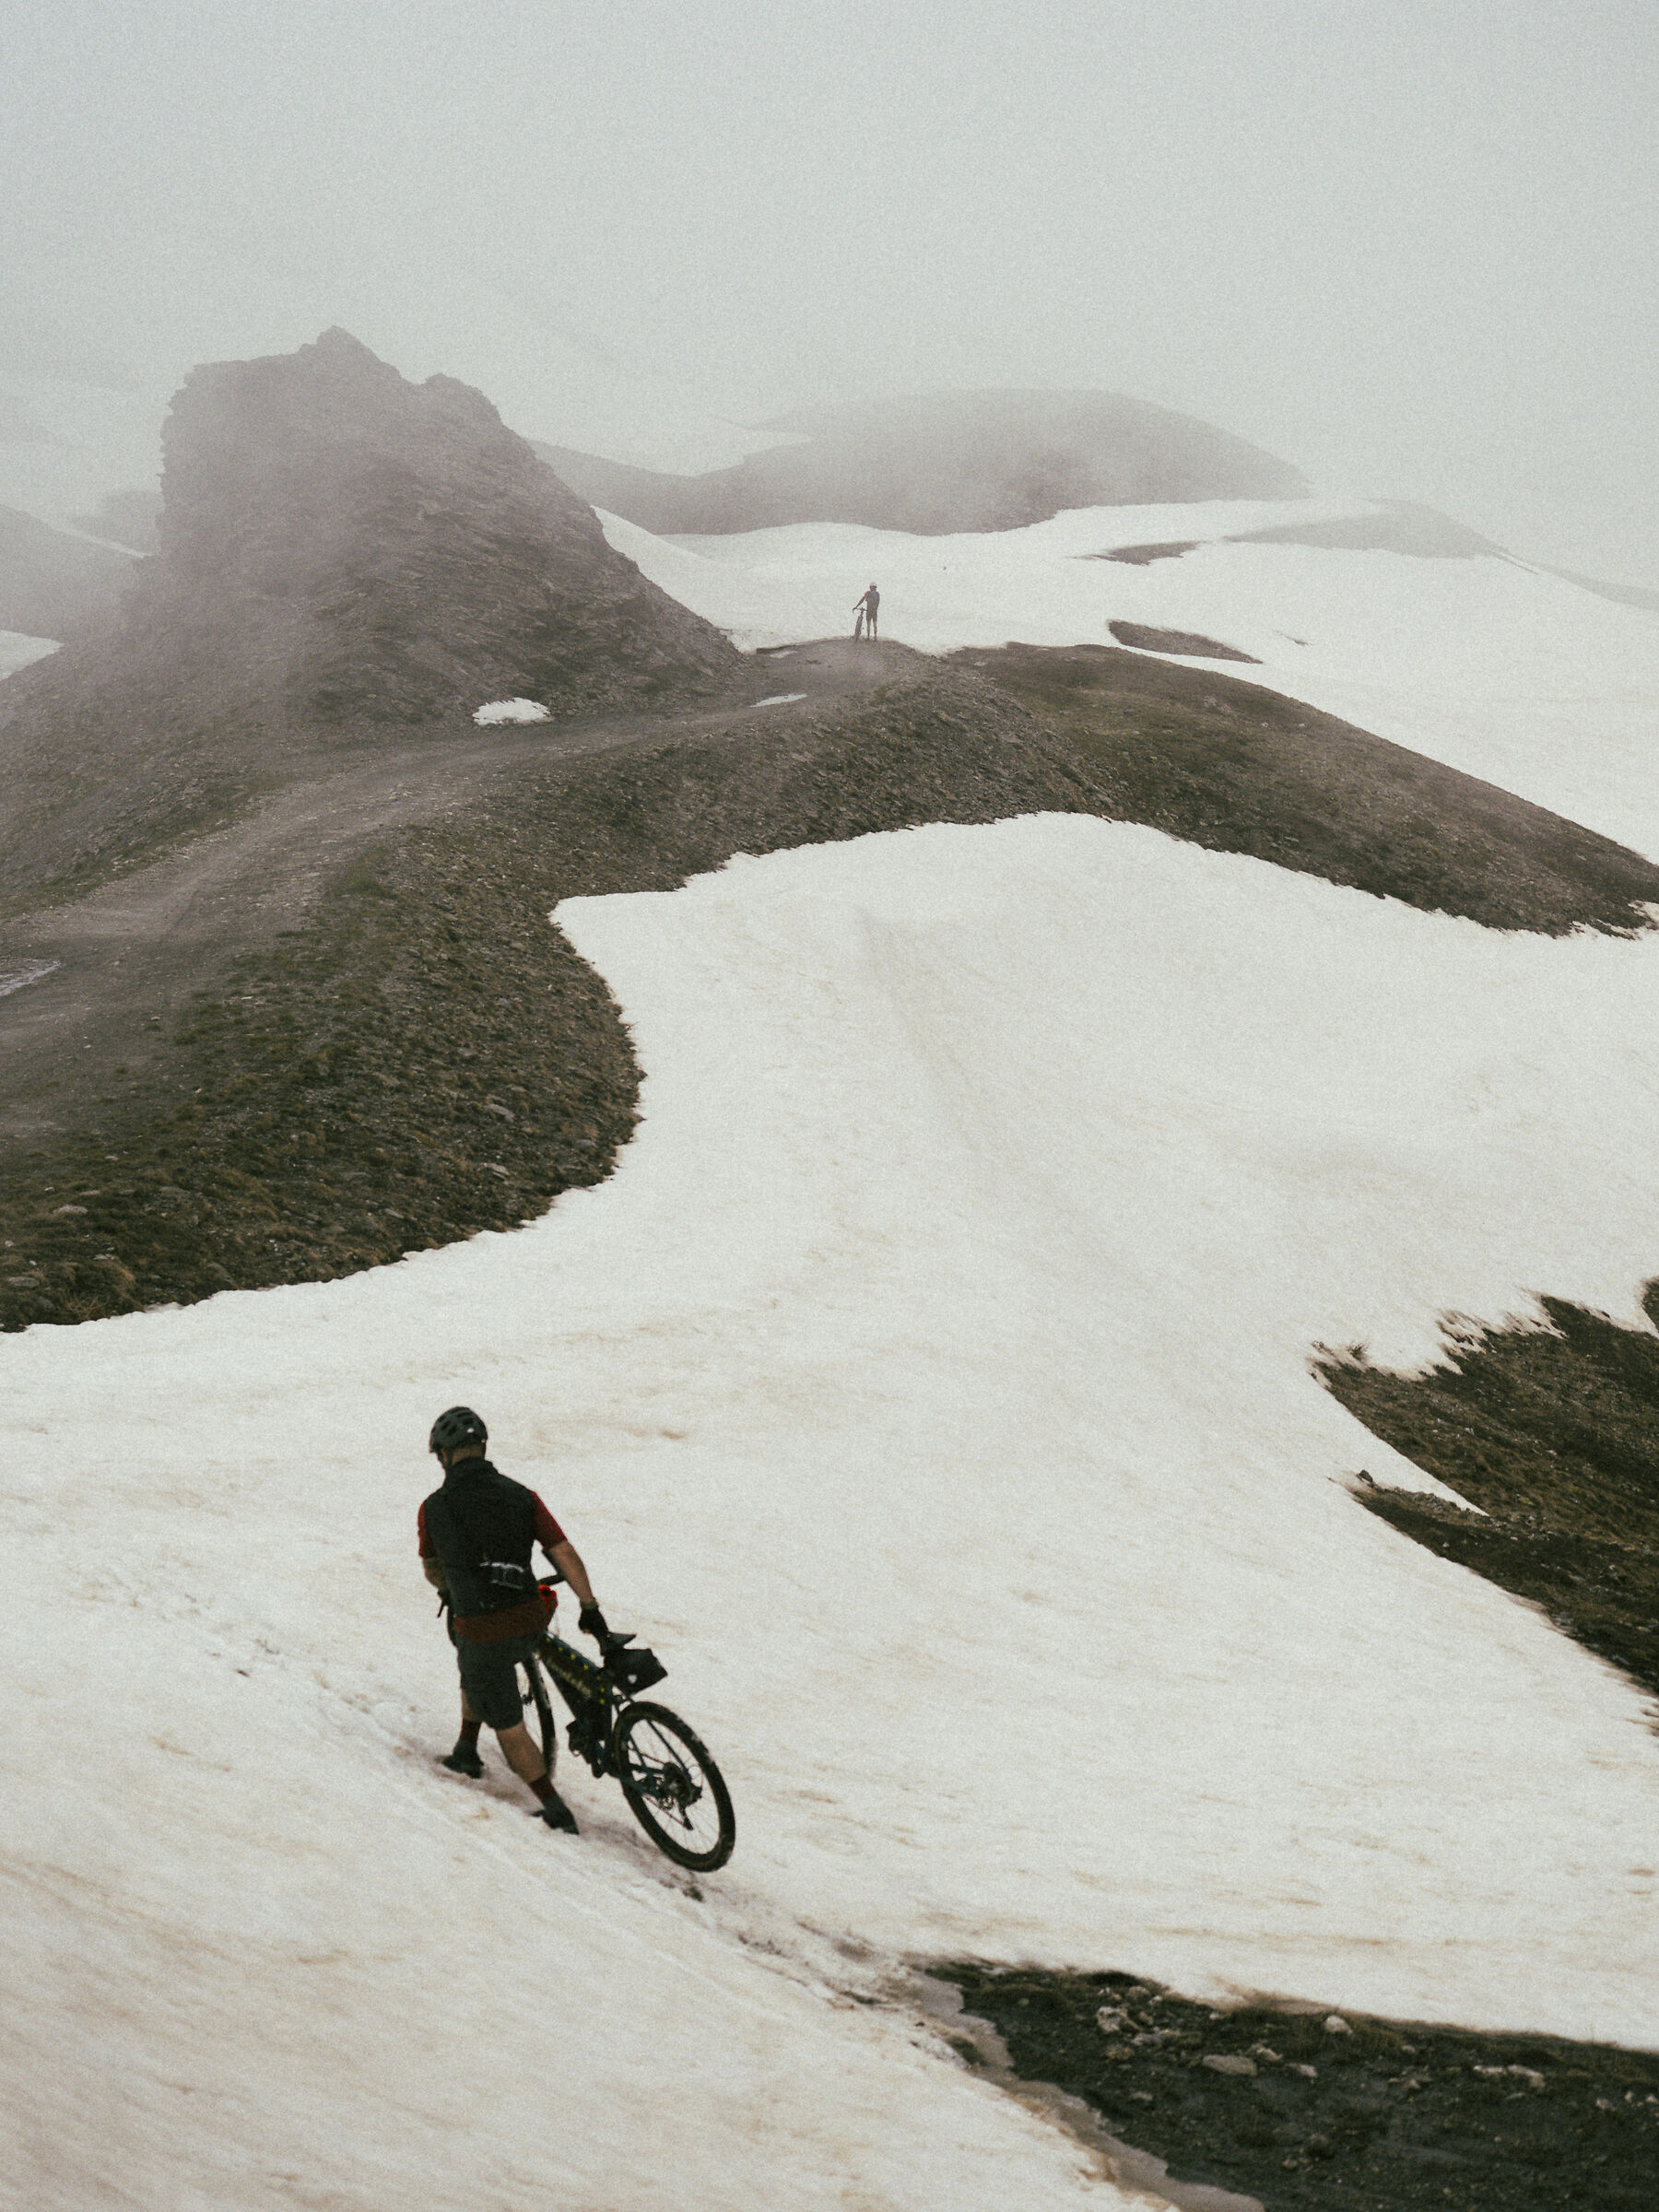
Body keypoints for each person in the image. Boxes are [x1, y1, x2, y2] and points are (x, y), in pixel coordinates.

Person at [418, 1405, 611, 1835]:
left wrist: (451, 1589)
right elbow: (563, 1551)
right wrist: (589, 1605)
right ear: (482, 1448)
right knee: (479, 1667)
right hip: (529, 1616)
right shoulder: (522, 1495)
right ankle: (466, 1748)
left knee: (508, 1722)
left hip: (480, 1628)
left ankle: (555, 1807)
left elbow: (432, 1569)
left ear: (444, 1456)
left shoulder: (433, 1508)